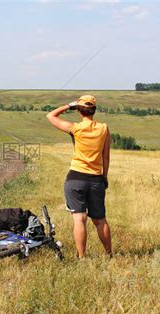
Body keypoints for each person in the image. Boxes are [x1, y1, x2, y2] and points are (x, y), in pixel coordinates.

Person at [46, 95, 112, 258]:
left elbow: (51, 116)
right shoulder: (103, 128)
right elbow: (106, 157)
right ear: (94, 110)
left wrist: (69, 105)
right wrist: (104, 177)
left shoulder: (75, 128)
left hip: (76, 178)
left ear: (80, 110)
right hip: (96, 179)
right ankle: (109, 254)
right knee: (100, 220)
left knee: (79, 219)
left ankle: (82, 257)